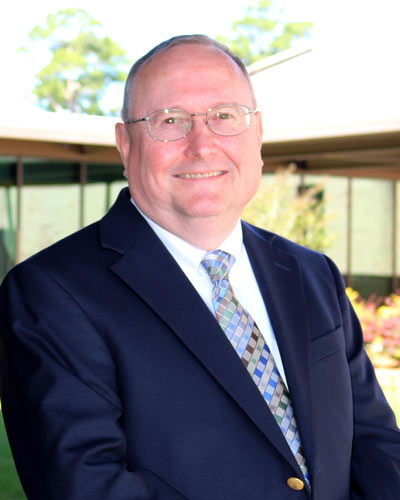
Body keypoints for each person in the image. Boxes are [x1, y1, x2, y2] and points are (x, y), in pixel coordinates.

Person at [0, 35, 399, 500]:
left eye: (224, 116)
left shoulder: (312, 274)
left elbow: (375, 446)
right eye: (169, 120)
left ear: (258, 135)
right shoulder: (50, 294)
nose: (202, 144)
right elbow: (85, 486)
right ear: (125, 145)